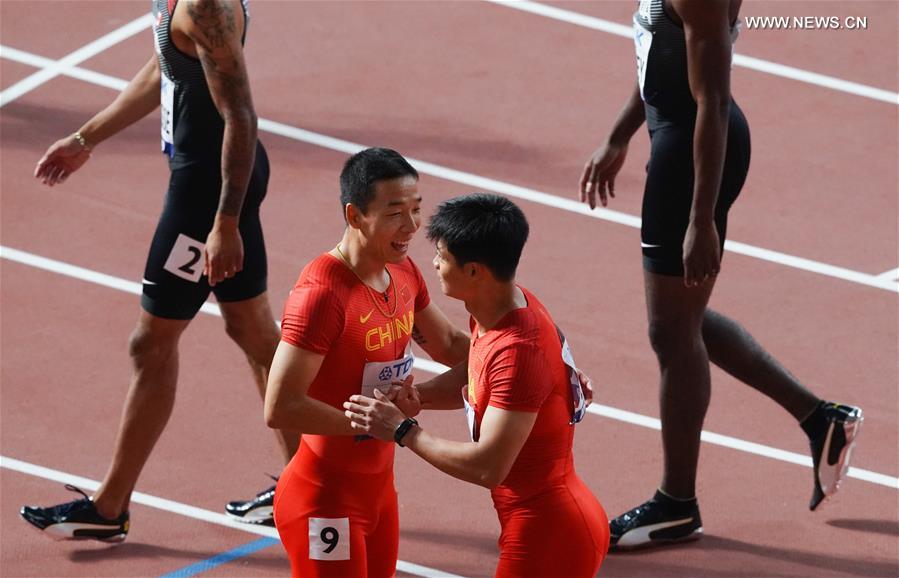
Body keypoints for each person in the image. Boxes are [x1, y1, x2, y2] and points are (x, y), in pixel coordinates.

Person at [578, 0, 863, 550]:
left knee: (672, 333)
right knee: (683, 322)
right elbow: (659, 58)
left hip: (692, 155)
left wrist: (701, 218)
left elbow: (712, 98)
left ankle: (676, 505)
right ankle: (819, 418)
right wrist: (620, 134)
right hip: (674, 140)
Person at [20, 0, 296, 541]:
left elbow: (241, 116)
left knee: (151, 342)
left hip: (208, 194)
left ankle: (109, 507)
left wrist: (224, 222)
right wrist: (87, 138)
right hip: (209, 184)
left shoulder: (206, 9)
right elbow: (164, 67)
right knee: (254, 333)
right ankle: (309, 485)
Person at [344, 193, 610, 577]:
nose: (433, 263)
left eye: (442, 256)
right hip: (539, 521)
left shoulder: (519, 351)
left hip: (550, 532)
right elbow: (476, 371)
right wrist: (418, 398)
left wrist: (403, 431)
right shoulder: (498, 308)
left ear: (474, 272)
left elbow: (489, 467)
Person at [264, 147, 471, 578]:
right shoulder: (323, 294)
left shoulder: (403, 272)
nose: (412, 227)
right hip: (324, 500)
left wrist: (535, 356)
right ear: (354, 215)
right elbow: (280, 405)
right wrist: (373, 423)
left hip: (378, 492)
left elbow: (451, 344)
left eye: (416, 210)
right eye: (395, 213)